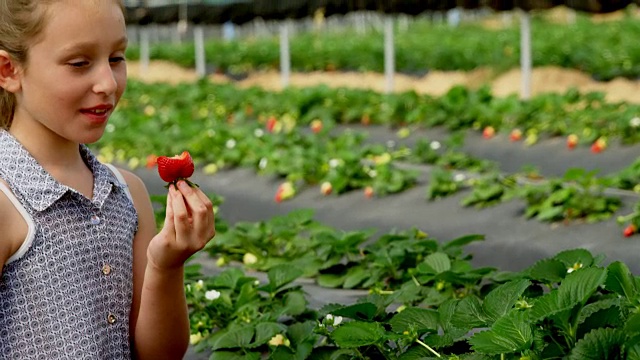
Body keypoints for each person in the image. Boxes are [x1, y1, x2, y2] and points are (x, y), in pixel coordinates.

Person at [0, 0, 216, 359]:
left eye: (116, 58)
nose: (107, 83)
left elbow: (160, 353)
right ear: (8, 70)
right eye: (80, 63)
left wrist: (167, 265)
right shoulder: (6, 202)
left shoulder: (127, 192)